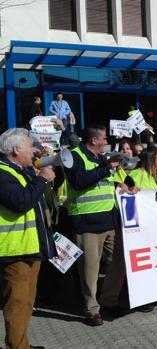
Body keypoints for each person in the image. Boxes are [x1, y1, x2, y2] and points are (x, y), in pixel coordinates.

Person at [64, 125, 126, 325]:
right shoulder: (73, 156)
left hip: (109, 219)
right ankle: (92, 309)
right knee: (90, 270)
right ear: (93, 140)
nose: (106, 141)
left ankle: (109, 300)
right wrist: (106, 168)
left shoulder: (101, 158)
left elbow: (105, 183)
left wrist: (120, 184)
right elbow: (79, 182)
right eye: (104, 138)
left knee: (120, 260)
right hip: (87, 222)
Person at [0, 128, 55, 349]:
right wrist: (41, 180)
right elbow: (20, 202)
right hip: (14, 251)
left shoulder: (20, 170)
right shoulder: (3, 173)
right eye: (30, 147)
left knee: (26, 304)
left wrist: (38, 171)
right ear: (15, 149)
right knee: (17, 304)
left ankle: (21, 343)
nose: (34, 151)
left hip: (29, 247)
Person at [100, 145, 157, 313]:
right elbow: (126, 195)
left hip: (153, 225)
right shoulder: (136, 174)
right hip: (135, 226)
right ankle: (118, 298)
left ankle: (146, 295)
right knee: (129, 263)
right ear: (151, 158)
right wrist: (133, 191)